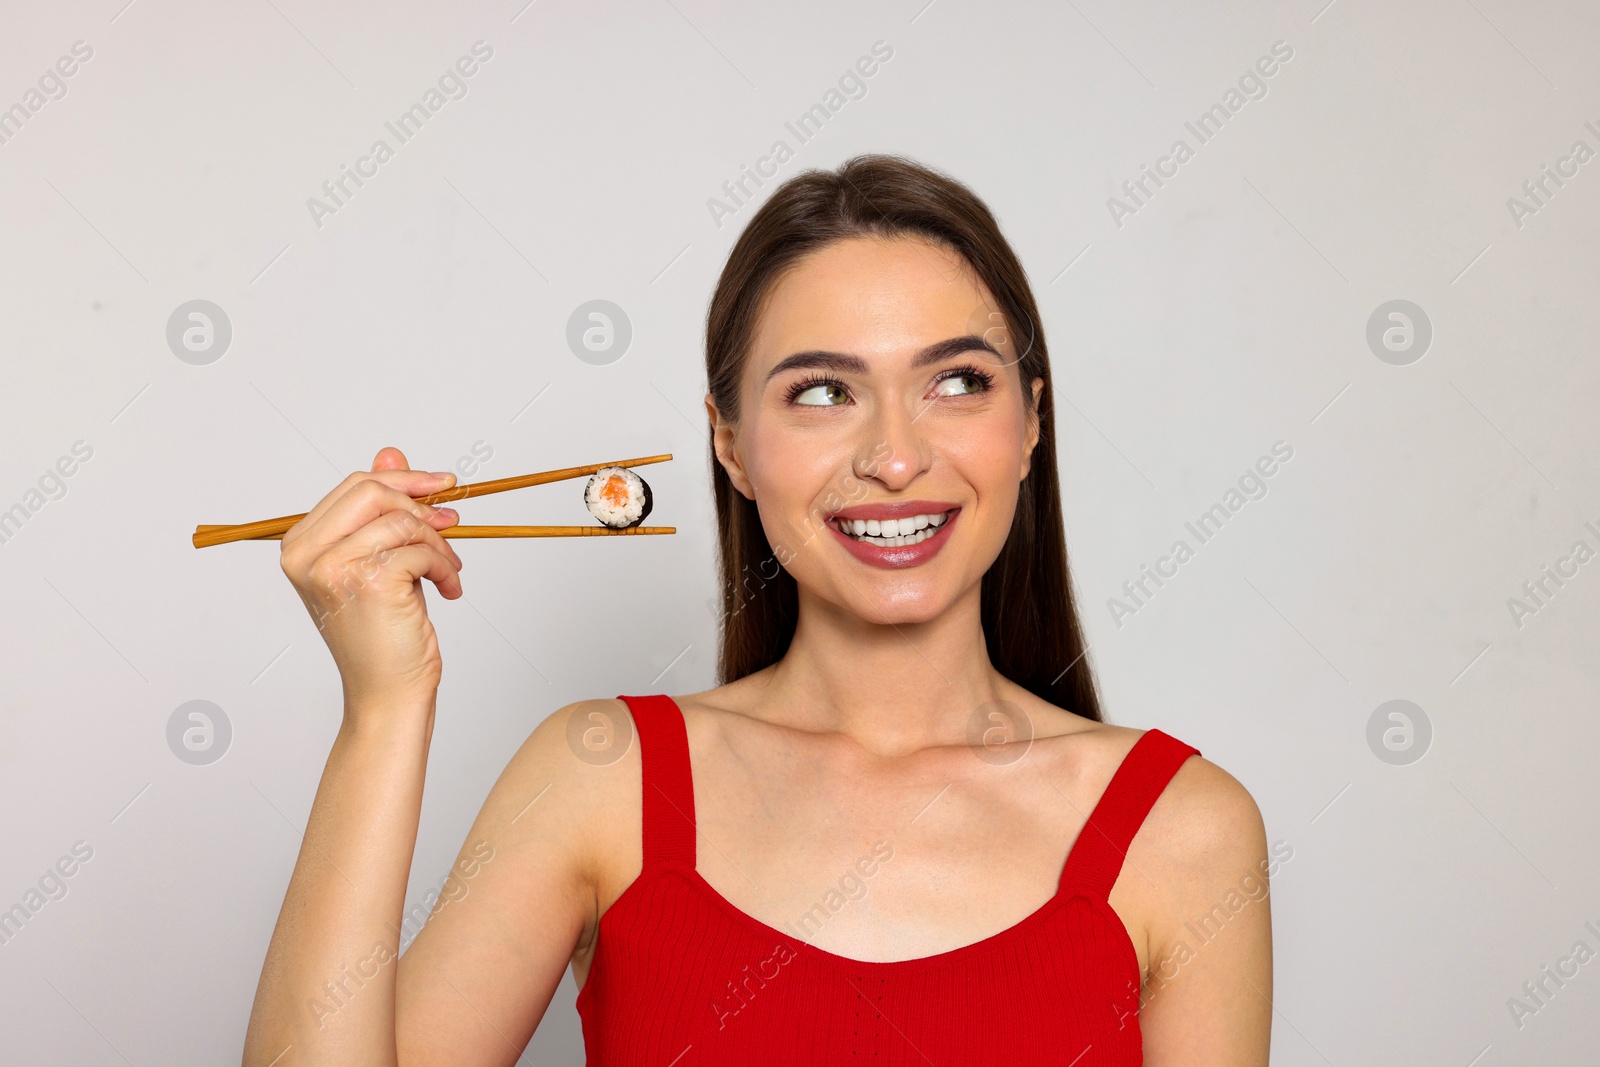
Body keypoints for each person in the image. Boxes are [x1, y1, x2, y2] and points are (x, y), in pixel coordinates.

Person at [243, 154, 1272, 1065]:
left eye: (956, 380)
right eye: (823, 392)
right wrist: (384, 705)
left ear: (1031, 421)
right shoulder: (599, 776)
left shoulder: (1182, 830)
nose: (896, 455)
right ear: (730, 443)